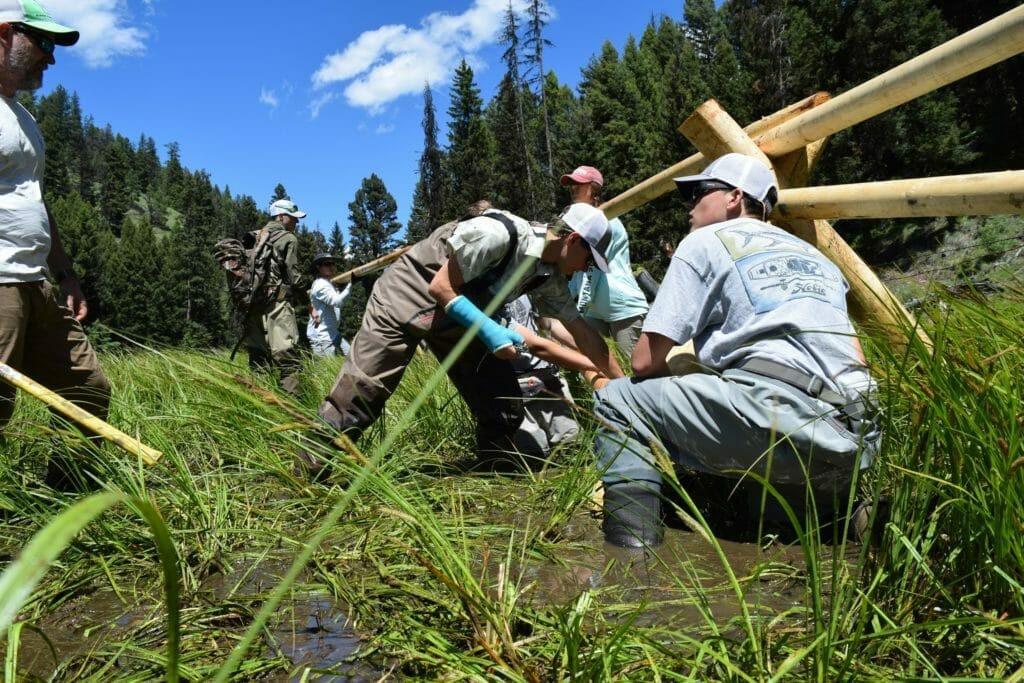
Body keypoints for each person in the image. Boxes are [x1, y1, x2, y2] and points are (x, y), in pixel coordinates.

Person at [594, 153, 881, 547]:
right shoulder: (816, 258)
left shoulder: (703, 241)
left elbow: (643, 361)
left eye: (697, 193)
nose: (690, 207)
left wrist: (690, 367)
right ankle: (852, 518)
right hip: (857, 430)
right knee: (780, 536)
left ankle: (629, 551)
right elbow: (856, 355)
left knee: (617, 401)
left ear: (734, 197)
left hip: (775, 414)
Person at [300, 201, 625, 476]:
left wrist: (626, 388)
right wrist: (489, 330)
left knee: (501, 401)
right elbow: (440, 287)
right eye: (588, 260)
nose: (586, 270)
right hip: (407, 297)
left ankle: (497, 473)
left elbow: (584, 333)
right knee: (361, 392)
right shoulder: (498, 233)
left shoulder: (548, 274)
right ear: (575, 240)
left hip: (460, 314)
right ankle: (304, 474)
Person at [0, 1, 111, 489]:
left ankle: (62, 501)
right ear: (4, 32)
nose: (51, 58)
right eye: (42, 43)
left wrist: (64, 273)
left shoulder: (23, 120)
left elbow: (36, 202)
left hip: (36, 283)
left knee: (86, 389)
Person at [560, 165, 649, 357]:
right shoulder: (580, 222)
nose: (573, 188)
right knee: (600, 368)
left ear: (594, 189)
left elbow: (590, 263)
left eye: (579, 184)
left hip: (623, 307)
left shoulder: (608, 221)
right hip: (593, 308)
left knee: (635, 372)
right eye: (571, 184)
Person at [503, 295, 580, 459]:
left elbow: (548, 323)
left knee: (572, 446)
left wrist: (583, 348)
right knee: (533, 455)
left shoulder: (526, 287)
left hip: (546, 373)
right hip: (512, 381)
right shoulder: (479, 290)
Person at [243, 198, 307, 396]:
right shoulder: (288, 239)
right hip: (277, 304)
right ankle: (292, 405)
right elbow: (294, 278)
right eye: (293, 218)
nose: (297, 223)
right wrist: (307, 297)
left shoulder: (252, 236)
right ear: (281, 216)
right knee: (288, 357)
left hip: (252, 306)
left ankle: (259, 403)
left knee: (258, 357)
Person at [307, 253, 352, 357]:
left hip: (333, 333)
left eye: (332, 263)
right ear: (318, 267)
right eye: (326, 264)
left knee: (351, 358)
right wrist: (351, 285)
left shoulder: (328, 283)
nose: (331, 266)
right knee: (326, 371)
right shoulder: (321, 285)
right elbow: (338, 302)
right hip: (322, 338)